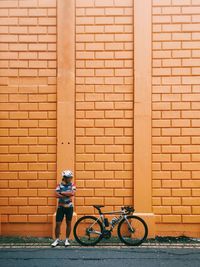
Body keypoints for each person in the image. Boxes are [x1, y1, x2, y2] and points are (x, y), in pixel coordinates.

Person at [51, 170, 76, 247]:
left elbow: (72, 193)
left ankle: (67, 239)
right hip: (60, 207)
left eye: (71, 177)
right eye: (68, 177)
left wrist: (62, 193)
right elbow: (56, 195)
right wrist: (66, 194)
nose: (70, 179)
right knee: (58, 224)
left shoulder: (73, 184)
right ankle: (57, 240)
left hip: (69, 207)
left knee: (68, 223)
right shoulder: (59, 185)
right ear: (64, 178)